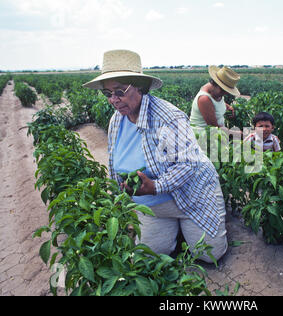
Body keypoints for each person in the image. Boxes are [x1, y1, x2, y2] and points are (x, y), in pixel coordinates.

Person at [83, 50, 227, 263]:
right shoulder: (117, 120)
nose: (113, 100)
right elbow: (114, 163)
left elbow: (188, 164)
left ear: (139, 87)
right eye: (107, 93)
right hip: (152, 207)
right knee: (146, 258)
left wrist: (155, 187)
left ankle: (202, 218)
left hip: (190, 196)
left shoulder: (168, 117)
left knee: (210, 254)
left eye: (120, 91)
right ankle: (177, 231)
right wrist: (119, 195)